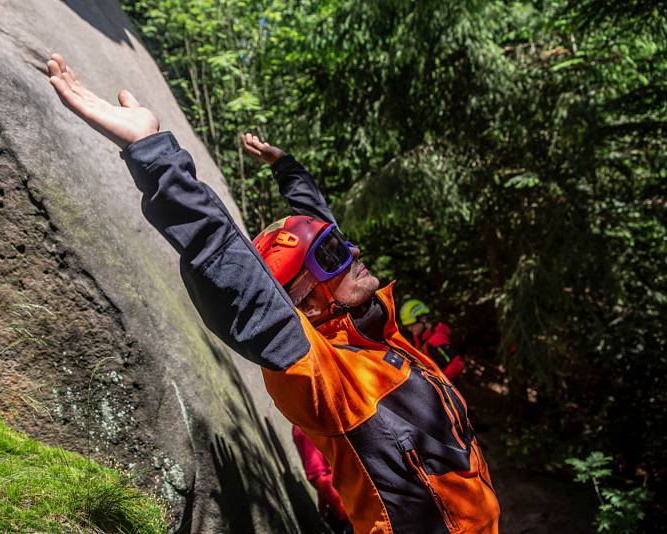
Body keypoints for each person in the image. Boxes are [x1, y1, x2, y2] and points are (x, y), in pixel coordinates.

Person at [46, 54, 500, 533]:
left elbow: (317, 231)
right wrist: (153, 153)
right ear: (305, 303)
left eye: (341, 248)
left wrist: (287, 168)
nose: (354, 252)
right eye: (332, 257)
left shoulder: (374, 339)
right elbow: (232, 272)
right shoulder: (327, 378)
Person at [399, 299, 465, 381]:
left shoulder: (436, 341)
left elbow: (457, 364)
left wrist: (439, 381)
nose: (409, 328)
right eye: (407, 326)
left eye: (412, 324)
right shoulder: (420, 340)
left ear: (423, 319)